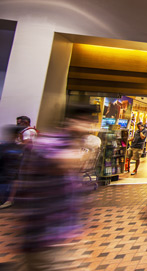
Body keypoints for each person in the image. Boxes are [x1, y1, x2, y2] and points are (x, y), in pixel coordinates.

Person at [16, 104, 98, 270]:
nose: (87, 127)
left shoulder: (71, 145)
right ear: (69, 120)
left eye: (89, 123)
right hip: (45, 239)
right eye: (83, 121)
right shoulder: (50, 143)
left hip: (62, 238)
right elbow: (60, 161)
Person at [0, 126, 24, 209]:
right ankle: (9, 200)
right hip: (11, 178)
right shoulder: (19, 148)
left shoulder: (4, 147)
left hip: (5, 177)